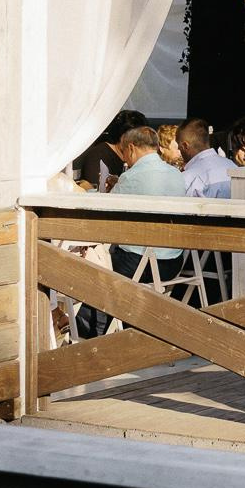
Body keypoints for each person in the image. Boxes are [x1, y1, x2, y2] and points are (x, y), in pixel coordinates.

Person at [75, 123, 185, 339]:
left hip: (141, 263)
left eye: (124, 153)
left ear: (132, 148)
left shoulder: (132, 176)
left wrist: (80, 192)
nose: (124, 159)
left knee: (86, 270)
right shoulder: (175, 173)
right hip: (173, 261)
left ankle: (94, 335)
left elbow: (107, 207)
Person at [179, 118, 235, 199]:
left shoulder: (189, 178)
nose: (178, 149)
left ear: (185, 146)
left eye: (178, 145)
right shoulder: (232, 166)